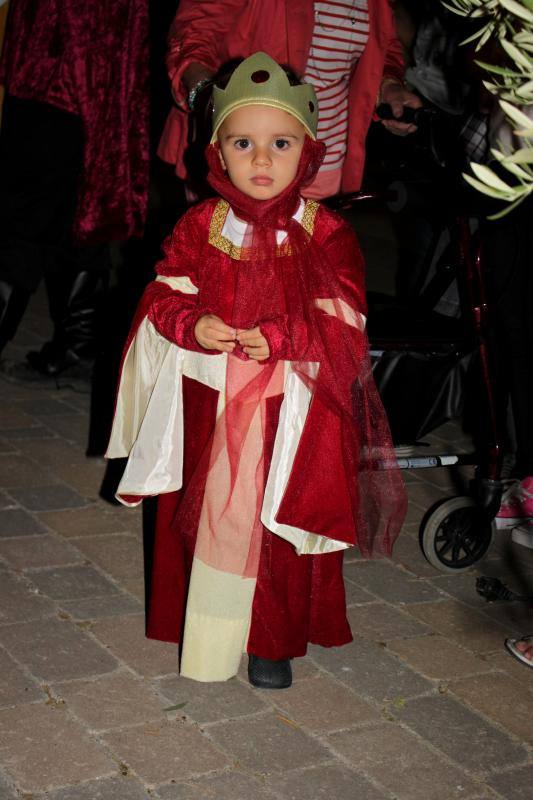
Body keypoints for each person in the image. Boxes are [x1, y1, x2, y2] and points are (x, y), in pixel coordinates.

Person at [107, 53, 406, 688]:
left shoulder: (326, 235)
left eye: (280, 143)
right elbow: (162, 295)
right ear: (217, 151)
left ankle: (271, 638)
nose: (263, 161)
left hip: (286, 412)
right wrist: (192, 323)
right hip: (209, 405)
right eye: (244, 143)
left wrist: (280, 336)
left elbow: (345, 326)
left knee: (270, 522)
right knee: (211, 513)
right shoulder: (200, 226)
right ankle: (210, 635)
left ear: (309, 152)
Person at [0, 0, 149, 378]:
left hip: (56, 76)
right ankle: (78, 347)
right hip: (90, 80)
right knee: (80, 208)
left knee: (25, 217)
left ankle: (78, 346)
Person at [158, 0, 421, 199]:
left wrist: (388, 84)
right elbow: (194, 32)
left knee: (304, 265)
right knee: (228, 263)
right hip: (244, 160)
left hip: (326, 159)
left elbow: (384, 45)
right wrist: (207, 96)